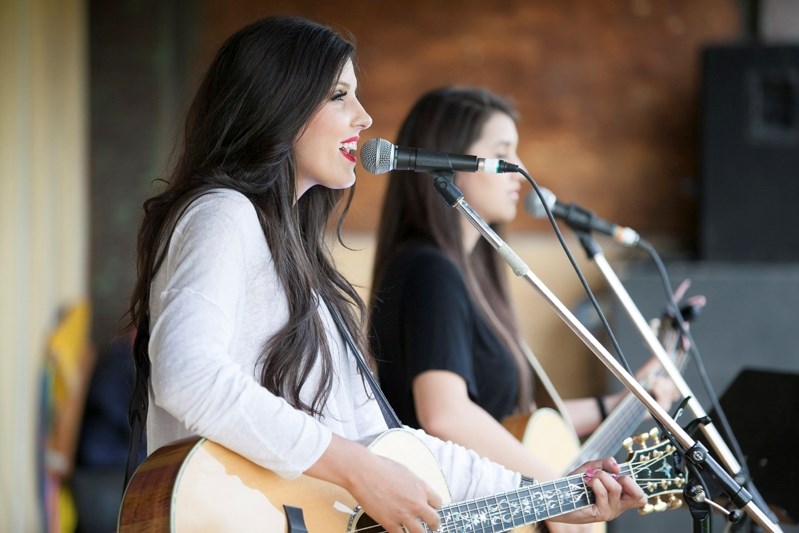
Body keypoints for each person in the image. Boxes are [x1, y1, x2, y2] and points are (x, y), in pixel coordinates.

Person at [125, 18, 646, 532]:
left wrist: (548, 496)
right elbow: (187, 374)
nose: (365, 117)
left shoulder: (299, 265)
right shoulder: (223, 213)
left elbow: (392, 444)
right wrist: (358, 469)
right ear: (278, 102)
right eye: (339, 95)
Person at [369, 87, 676, 530]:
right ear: (450, 161)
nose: (521, 170)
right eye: (502, 152)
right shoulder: (430, 268)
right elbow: (447, 414)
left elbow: (510, 425)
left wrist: (618, 405)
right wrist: (558, 495)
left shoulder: (462, 272)